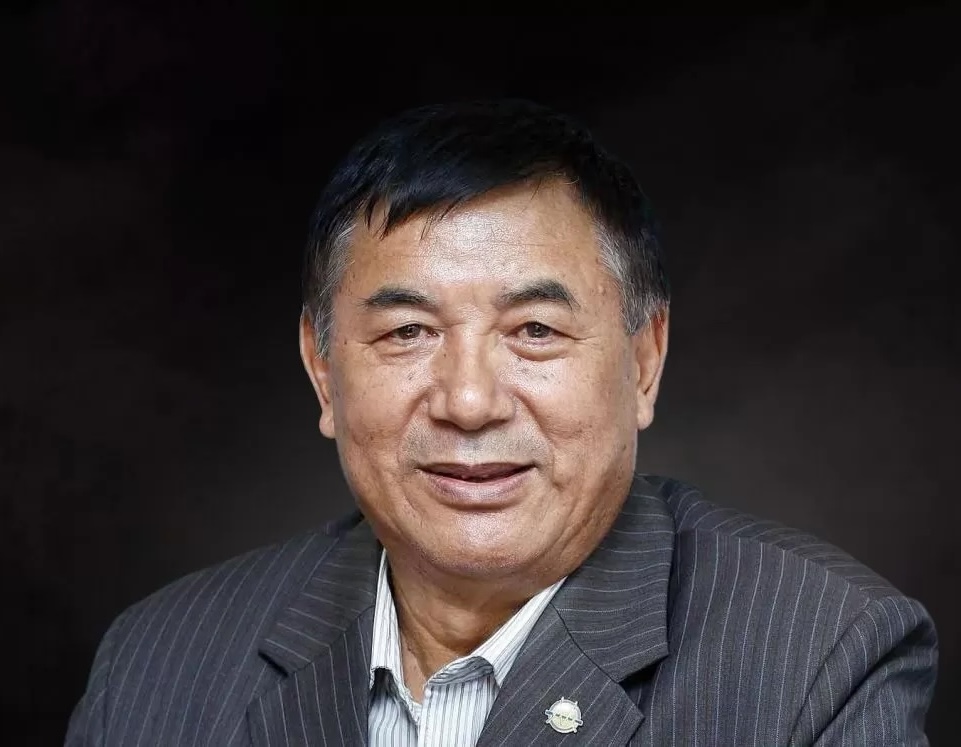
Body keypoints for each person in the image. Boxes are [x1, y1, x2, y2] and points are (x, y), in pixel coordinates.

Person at [66, 99, 937, 746]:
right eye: (407, 332)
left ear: (643, 359)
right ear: (322, 369)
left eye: (534, 330)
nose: (469, 401)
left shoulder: (818, 655)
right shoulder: (160, 660)